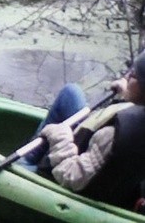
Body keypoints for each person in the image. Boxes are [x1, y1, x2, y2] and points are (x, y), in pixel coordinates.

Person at [20, 48, 145, 211]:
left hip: (69, 182)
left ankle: (25, 165)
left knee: (17, 168)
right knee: (70, 93)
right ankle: (29, 156)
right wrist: (129, 94)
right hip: (108, 174)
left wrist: (61, 138)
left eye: (134, 76)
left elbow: (72, 176)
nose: (127, 77)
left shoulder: (113, 137)